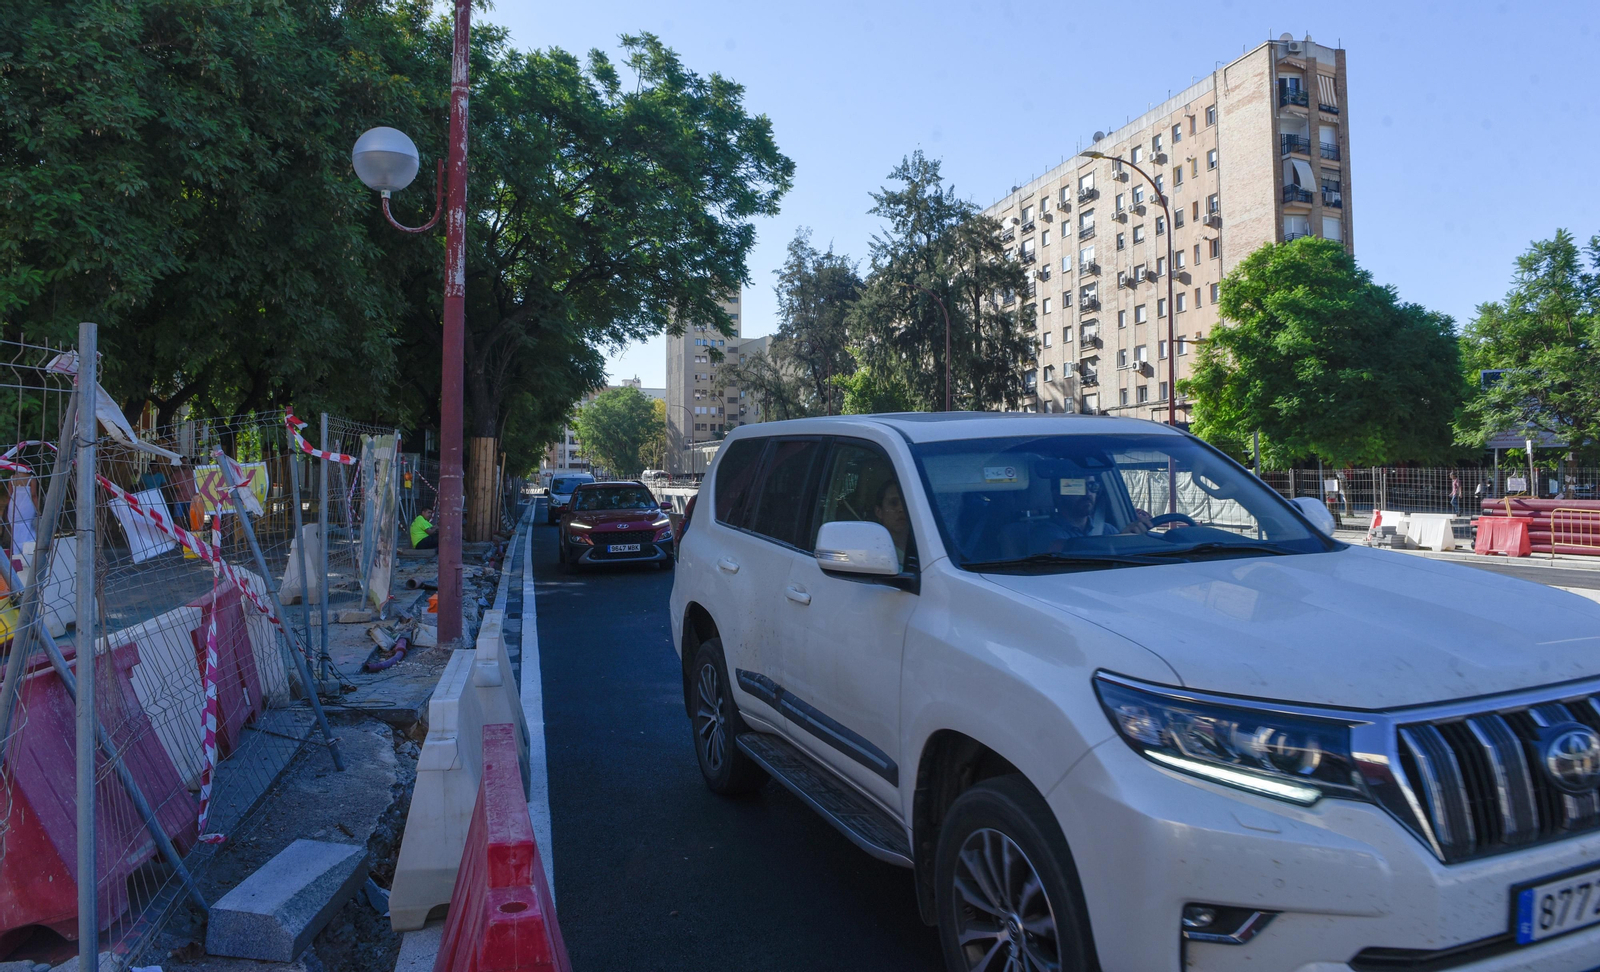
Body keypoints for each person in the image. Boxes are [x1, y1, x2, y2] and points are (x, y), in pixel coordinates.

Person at [872, 480, 911, 568]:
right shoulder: (873, 553)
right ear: (879, 512)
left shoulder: (930, 548)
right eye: (894, 503)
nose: (901, 509)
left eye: (906, 503)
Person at [5, 469, 39, 555]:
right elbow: (34, 495)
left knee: (15, 529)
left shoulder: (12, 478)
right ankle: (29, 551)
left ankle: (17, 552)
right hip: (27, 505)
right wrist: (38, 510)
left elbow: (9, 495)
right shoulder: (31, 478)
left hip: (14, 506)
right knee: (29, 527)